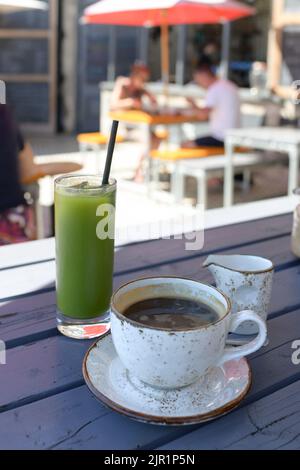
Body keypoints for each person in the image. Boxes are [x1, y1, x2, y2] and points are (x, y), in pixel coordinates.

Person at [111, 62, 161, 182]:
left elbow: (155, 103)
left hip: (138, 126)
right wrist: (131, 102)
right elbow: (113, 105)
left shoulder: (140, 89)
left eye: (145, 78)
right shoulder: (122, 84)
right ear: (135, 74)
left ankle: (144, 169)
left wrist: (147, 91)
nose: (143, 80)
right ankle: (139, 172)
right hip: (121, 127)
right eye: (142, 77)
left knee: (156, 139)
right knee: (148, 139)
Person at [183, 63, 241, 149]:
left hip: (222, 138)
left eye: (198, 81)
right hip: (235, 137)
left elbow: (202, 116)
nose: (199, 85)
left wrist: (192, 103)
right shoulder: (229, 85)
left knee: (184, 145)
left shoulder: (214, 89)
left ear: (204, 76)